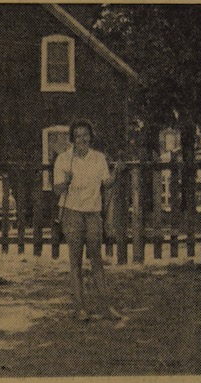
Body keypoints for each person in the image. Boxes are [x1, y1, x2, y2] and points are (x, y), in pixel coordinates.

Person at [53, 120, 125, 321]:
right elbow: (56, 190)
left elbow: (107, 183)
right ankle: (80, 308)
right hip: (71, 213)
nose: (82, 139)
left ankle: (106, 308)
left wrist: (116, 172)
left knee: (97, 261)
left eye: (86, 135)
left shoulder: (98, 158)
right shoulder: (63, 160)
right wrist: (66, 182)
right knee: (75, 262)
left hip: (93, 213)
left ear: (90, 137)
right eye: (78, 136)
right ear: (72, 139)